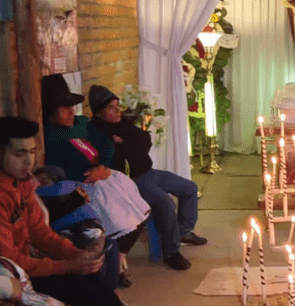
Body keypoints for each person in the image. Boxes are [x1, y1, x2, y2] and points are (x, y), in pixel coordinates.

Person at [0, 116, 125, 306]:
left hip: (26, 267)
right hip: (11, 278)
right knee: (85, 288)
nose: (29, 161)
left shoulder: (22, 183)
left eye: (32, 152)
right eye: (19, 154)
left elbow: (40, 233)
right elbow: (8, 261)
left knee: (94, 278)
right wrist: (66, 266)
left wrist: (76, 255)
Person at [88, 85, 207, 271]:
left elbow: (146, 140)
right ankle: (171, 252)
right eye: (111, 108)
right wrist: (131, 143)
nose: (118, 110)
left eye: (117, 105)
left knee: (190, 188)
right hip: (132, 180)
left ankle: (182, 232)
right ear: (99, 113)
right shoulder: (98, 132)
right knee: (166, 204)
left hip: (149, 172)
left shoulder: (123, 124)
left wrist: (127, 142)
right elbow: (118, 155)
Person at [40, 74, 151, 273]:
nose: (71, 112)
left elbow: (106, 144)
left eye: (72, 107)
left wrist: (102, 166)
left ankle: (119, 257)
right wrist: (87, 175)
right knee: (116, 220)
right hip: (82, 186)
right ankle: (113, 265)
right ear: (50, 113)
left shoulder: (82, 124)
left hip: (103, 176)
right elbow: (60, 166)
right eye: (64, 109)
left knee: (139, 212)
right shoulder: (50, 137)